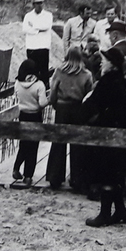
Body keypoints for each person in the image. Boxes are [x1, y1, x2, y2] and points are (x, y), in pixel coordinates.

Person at [83, 47, 126, 227]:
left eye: (105, 60)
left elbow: (93, 102)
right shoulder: (122, 81)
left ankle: (104, 214)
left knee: (107, 173)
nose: (102, 62)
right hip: (119, 133)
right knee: (116, 174)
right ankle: (120, 211)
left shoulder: (108, 81)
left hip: (107, 133)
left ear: (112, 64)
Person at [45, 47, 94, 191]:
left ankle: (55, 177)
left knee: (58, 142)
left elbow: (53, 90)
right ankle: (77, 179)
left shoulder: (59, 72)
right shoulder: (86, 74)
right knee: (77, 144)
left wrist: (54, 104)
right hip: (78, 109)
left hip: (62, 108)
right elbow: (89, 95)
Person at [11, 59, 49, 186]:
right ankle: (28, 176)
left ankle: (16, 168)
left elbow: (16, 96)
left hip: (23, 115)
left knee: (24, 144)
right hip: (35, 116)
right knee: (33, 147)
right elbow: (42, 103)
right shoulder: (39, 85)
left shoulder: (17, 83)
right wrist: (49, 99)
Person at [23, 0, 53, 82]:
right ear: (33, 4)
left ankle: (44, 89)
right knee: (32, 70)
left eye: (41, 3)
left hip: (43, 46)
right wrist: (38, 30)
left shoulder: (48, 15)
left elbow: (46, 26)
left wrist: (33, 26)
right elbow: (25, 29)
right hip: (32, 46)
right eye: (38, 3)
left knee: (44, 70)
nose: (40, 5)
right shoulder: (28, 16)